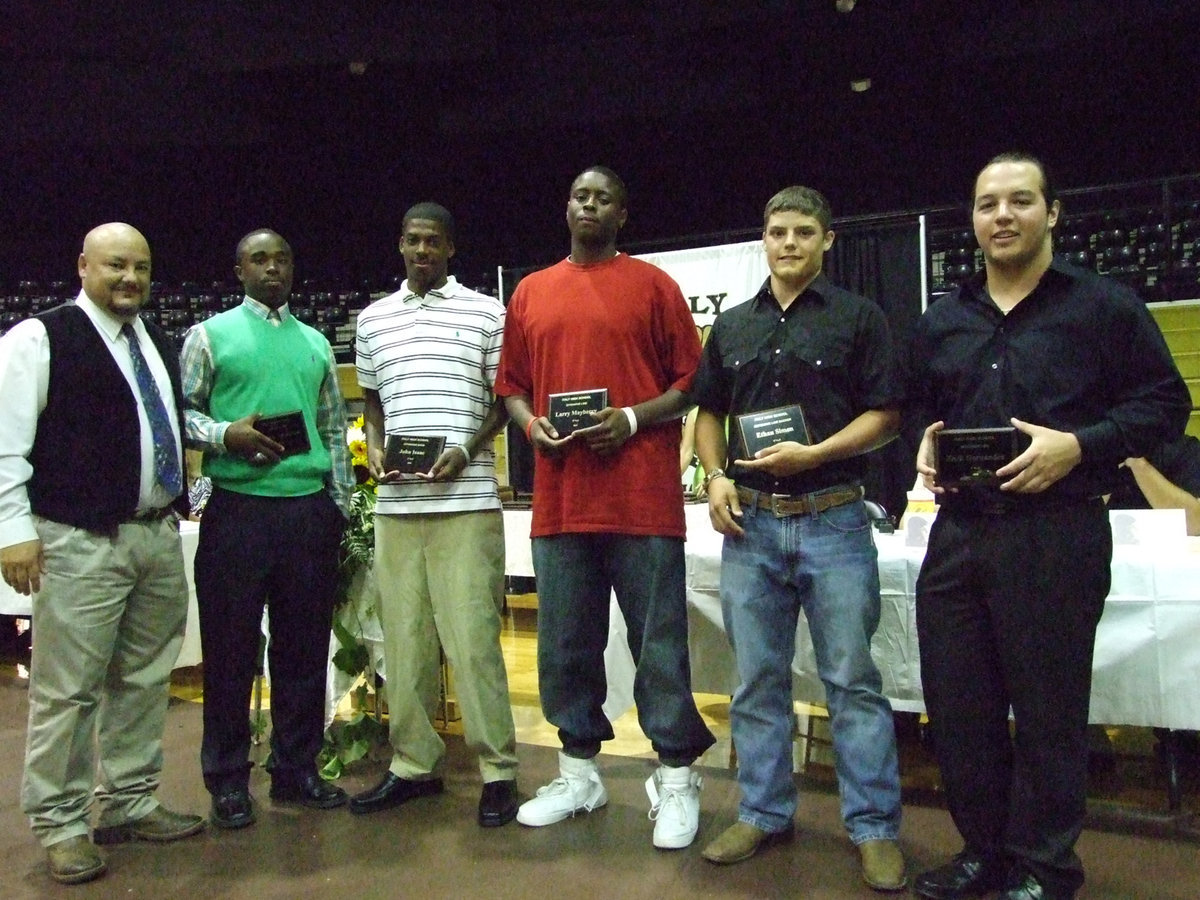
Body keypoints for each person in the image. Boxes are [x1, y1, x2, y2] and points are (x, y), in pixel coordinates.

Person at [907, 153, 1190, 900]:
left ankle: (1044, 868)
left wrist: (1080, 445)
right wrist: (925, 440)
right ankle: (985, 854)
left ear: (1052, 212)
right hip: (959, 534)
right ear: (971, 218)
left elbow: (1167, 406)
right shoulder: (943, 320)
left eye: (1020, 201)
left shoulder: (1104, 307)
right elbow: (917, 411)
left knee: (1048, 716)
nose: (1002, 215)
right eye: (987, 203)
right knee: (959, 712)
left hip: (1057, 533)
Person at [689, 186, 907, 892]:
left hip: (836, 516)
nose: (789, 244)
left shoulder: (859, 318)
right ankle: (762, 811)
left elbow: (889, 417)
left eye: (803, 233)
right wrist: (714, 476)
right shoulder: (731, 327)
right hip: (750, 523)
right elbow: (707, 411)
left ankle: (873, 828)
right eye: (778, 231)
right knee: (756, 681)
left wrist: (814, 456)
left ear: (827, 240)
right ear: (764, 237)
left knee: (851, 681)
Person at [494, 166, 715, 849]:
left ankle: (676, 777)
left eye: (604, 198)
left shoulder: (653, 286)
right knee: (563, 644)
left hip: (642, 499)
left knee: (659, 646)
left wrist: (628, 418)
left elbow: (690, 383)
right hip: (561, 504)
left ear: (623, 213)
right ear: (566, 208)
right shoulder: (531, 291)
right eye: (579, 195)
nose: (589, 205)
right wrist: (533, 430)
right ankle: (578, 774)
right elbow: (512, 388)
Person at [0, 223, 205, 885]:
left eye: (141, 268)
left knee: (145, 678)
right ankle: (60, 823)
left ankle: (128, 800)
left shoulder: (154, 339)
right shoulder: (38, 338)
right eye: (117, 266)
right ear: (83, 264)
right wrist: (12, 529)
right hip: (78, 540)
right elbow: (5, 442)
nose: (131, 280)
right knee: (68, 692)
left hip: (153, 534)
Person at [350, 203, 520, 826]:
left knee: (473, 641)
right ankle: (414, 764)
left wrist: (465, 450)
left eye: (434, 242)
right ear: (400, 244)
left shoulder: (487, 313)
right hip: (397, 507)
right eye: (412, 240)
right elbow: (371, 407)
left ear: (451, 248)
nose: (422, 251)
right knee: (405, 643)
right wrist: (373, 456)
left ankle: (498, 769)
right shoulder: (373, 320)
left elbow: (504, 405)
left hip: (466, 502)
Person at [181, 228, 353, 829]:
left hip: (307, 511)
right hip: (238, 510)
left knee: (303, 650)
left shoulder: (315, 343)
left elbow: (333, 429)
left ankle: (296, 768)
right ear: (238, 269)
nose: (272, 267)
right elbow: (183, 413)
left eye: (282, 257)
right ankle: (228, 780)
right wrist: (227, 434)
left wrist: (339, 503)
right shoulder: (208, 336)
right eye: (259, 258)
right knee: (230, 651)